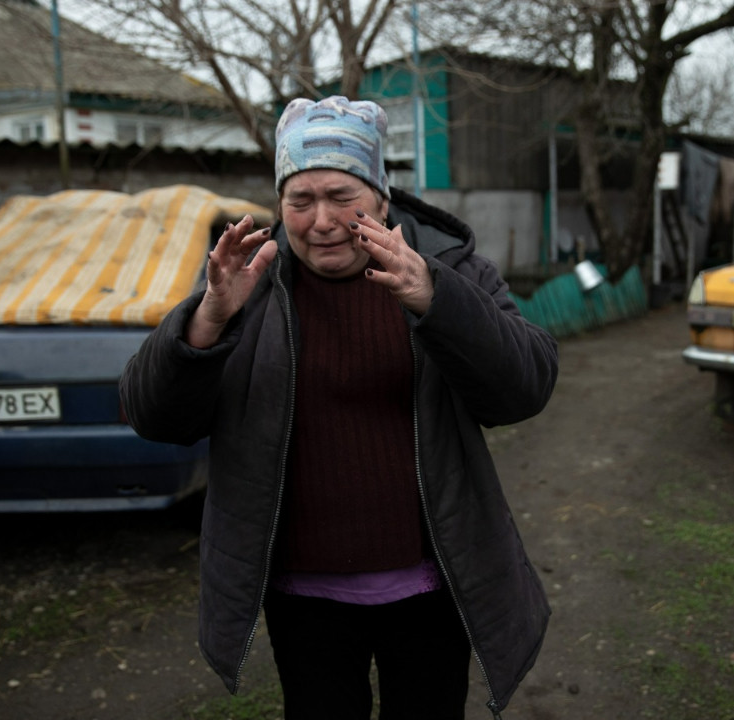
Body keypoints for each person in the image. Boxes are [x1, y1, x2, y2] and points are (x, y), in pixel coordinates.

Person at [119, 95, 558, 719]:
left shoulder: (450, 267)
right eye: (299, 200)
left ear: (382, 198)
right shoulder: (247, 281)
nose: (320, 221)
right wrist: (209, 318)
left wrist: (436, 299)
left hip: (434, 587)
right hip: (305, 598)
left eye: (341, 196)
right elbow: (153, 416)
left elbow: (526, 386)